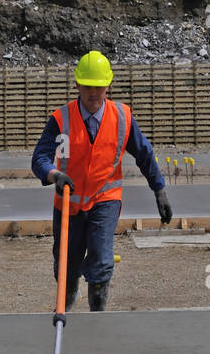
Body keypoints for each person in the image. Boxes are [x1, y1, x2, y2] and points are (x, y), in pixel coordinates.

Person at [31, 51, 173, 311]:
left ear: (109, 85)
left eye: (99, 87)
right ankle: (70, 295)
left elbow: (144, 154)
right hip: (69, 205)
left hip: (104, 201)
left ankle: (98, 315)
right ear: (77, 84)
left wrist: (159, 190)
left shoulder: (122, 118)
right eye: (87, 86)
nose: (93, 93)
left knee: (101, 261)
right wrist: (54, 175)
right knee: (66, 265)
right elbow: (39, 158)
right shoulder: (61, 119)